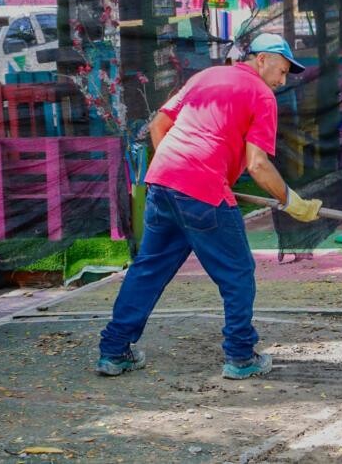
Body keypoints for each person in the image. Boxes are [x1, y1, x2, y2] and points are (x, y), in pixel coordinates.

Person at [97, 33, 323, 379]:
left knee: (148, 269)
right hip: (202, 190)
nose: (282, 80)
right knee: (238, 274)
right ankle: (240, 356)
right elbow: (258, 165)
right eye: (281, 69)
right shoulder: (261, 96)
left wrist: (176, 167)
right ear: (261, 59)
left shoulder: (206, 76)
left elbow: (159, 125)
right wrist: (291, 202)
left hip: (163, 182)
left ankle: (114, 351)